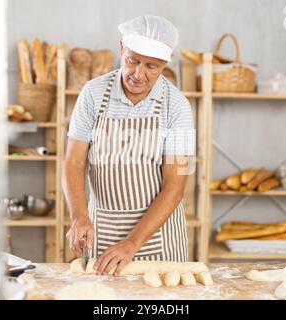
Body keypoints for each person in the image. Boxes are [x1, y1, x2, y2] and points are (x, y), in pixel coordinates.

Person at [62, 15, 195, 275]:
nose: (138, 74)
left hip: (160, 240)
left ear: (166, 64)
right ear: (122, 46)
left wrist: (133, 242)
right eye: (133, 60)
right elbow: (74, 162)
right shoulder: (92, 94)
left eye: (152, 66)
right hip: (102, 235)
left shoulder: (178, 106)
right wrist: (78, 215)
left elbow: (175, 186)